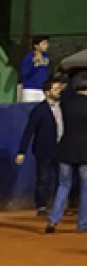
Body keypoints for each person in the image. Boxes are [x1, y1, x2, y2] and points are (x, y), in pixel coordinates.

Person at [16, 78, 65, 216]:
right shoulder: (39, 110)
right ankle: (41, 205)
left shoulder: (63, 107)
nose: (59, 92)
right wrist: (21, 151)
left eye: (59, 89)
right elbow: (29, 130)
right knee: (43, 178)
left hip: (61, 149)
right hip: (43, 150)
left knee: (61, 179)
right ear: (47, 92)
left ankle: (58, 206)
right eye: (56, 89)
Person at [46, 74, 87, 233]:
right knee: (85, 188)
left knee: (63, 185)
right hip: (85, 152)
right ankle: (82, 224)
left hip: (65, 148)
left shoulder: (66, 103)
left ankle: (53, 220)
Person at [20, 35, 51, 103]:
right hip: (30, 89)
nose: (46, 46)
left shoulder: (46, 57)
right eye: (44, 44)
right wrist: (32, 62)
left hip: (43, 89)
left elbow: (47, 72)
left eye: (46, 43)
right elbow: (24, 72)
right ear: (36, 45)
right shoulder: (29, 56)